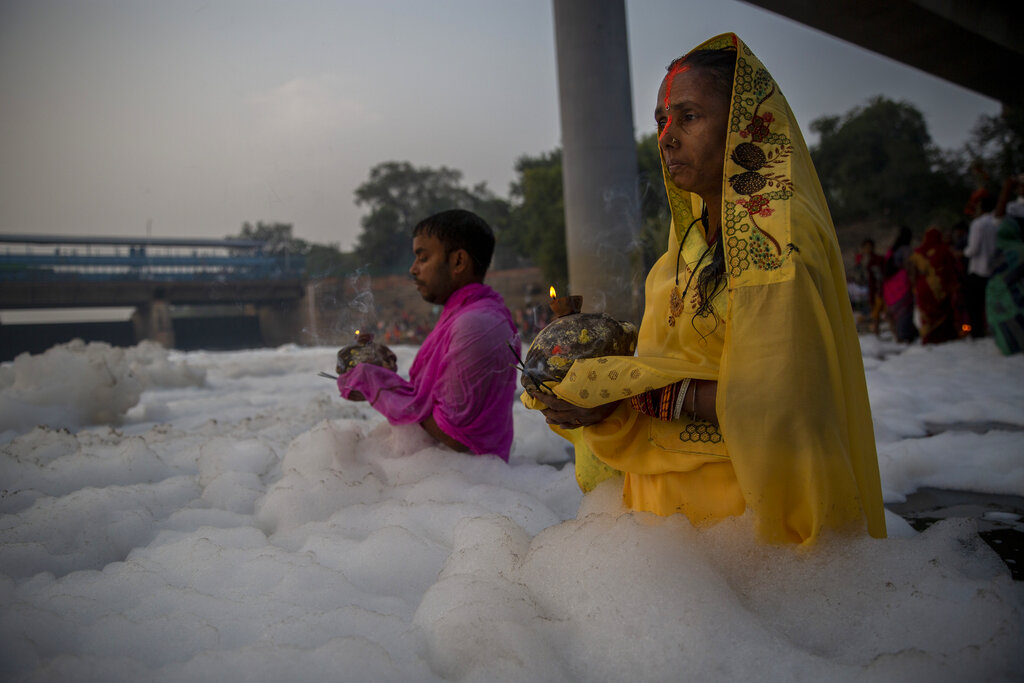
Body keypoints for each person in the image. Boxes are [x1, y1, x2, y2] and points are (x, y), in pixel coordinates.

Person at [523, 33, 886, 544]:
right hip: (672, 545)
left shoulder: (774, 240)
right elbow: (682, 349)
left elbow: (783, 403)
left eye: (689, 117)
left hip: (745, 534)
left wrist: (647, 391)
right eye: (660, 121)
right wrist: (588, 355)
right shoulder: (685, 244)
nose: (667, 137)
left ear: (744, 128)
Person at [337, 209, 520, 461]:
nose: (413, 269)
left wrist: (379, 387)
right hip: (451, 478)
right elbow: (436, 406)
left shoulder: (475, 324)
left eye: (423, 258)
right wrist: (381, 376)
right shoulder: (466, 313)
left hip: (468, 481)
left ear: (458, 261)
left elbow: (454, 435)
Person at [909, 226, 961, 344]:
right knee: (943, 312)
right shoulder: (944, 250)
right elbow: (950, 269)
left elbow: (912, 272)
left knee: (927, 315)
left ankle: (928, 337)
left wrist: (914, 286)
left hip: (922, 287)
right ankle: (944, 336)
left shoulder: (918, 253)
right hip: (940, 287)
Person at [964, 193, 1000, 337]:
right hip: (996, 269)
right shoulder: (999, 222)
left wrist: (963, 252)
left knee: (975, 305)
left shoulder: (978, 224)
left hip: (978, 269)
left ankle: (977, 332)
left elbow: (973, 249)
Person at [881, 226, 918, 343]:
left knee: (895, 312)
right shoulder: (906, 250)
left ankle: (898, 336)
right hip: (902, 283)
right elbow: (910, 267)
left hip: (889, 286)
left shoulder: (891, 250)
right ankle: (905, 335)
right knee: (905, 311)